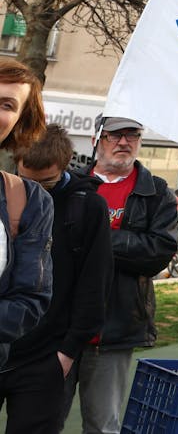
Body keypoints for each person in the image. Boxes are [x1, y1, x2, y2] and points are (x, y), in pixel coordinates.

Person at [70, 115, 176, 434]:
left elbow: (158, 251)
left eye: (132, 135)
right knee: (42, 419)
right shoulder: (70, 185)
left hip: (114, 325)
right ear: (97, 140)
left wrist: (97, 238)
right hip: (60, 323)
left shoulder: (156, 192)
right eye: (115, 135)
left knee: (103, 425)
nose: (123, 142)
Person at [3, 122, 96, 434]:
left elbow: (94, 282)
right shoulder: (9, 195)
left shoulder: (86, 205)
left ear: (65, 166)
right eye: (26, 181)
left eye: (46, 184)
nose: (34, 193)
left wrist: (68, 351)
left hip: (45, 356)